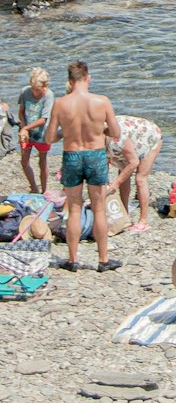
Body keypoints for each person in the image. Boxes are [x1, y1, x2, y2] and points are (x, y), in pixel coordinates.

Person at [44, 60, 122, 272]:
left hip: (72, 155)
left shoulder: (60, 103)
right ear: (88, 78)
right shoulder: (102, 101)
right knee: (98, 208)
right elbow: (115, 132)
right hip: (95, 155)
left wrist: (65, 132)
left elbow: (49, 137)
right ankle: (103, 260)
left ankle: (73, 259)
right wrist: (100, 130)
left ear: (70, 81)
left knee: (75, 208)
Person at [105, 114, 163, 232]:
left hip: (151, 137)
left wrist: (115, 184)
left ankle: (143, 221)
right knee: (123, 173)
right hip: (132, 139)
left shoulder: (116, 136)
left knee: (140, 178)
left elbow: (134, 162)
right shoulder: (93, 139)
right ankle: (124, 214)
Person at [17, 67, 54, 194]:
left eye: (37, 90)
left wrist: (25, 128)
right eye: (32, 88)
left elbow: (44, 119)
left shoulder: (49, 95)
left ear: (45, 86)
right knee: (24, 160)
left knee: (42, 162)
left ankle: (44, 190)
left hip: (43, 134)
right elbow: (21, 112)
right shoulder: (25, 92)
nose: (34, 92)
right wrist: (23, 128)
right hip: (27, 132)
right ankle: (33, 186)